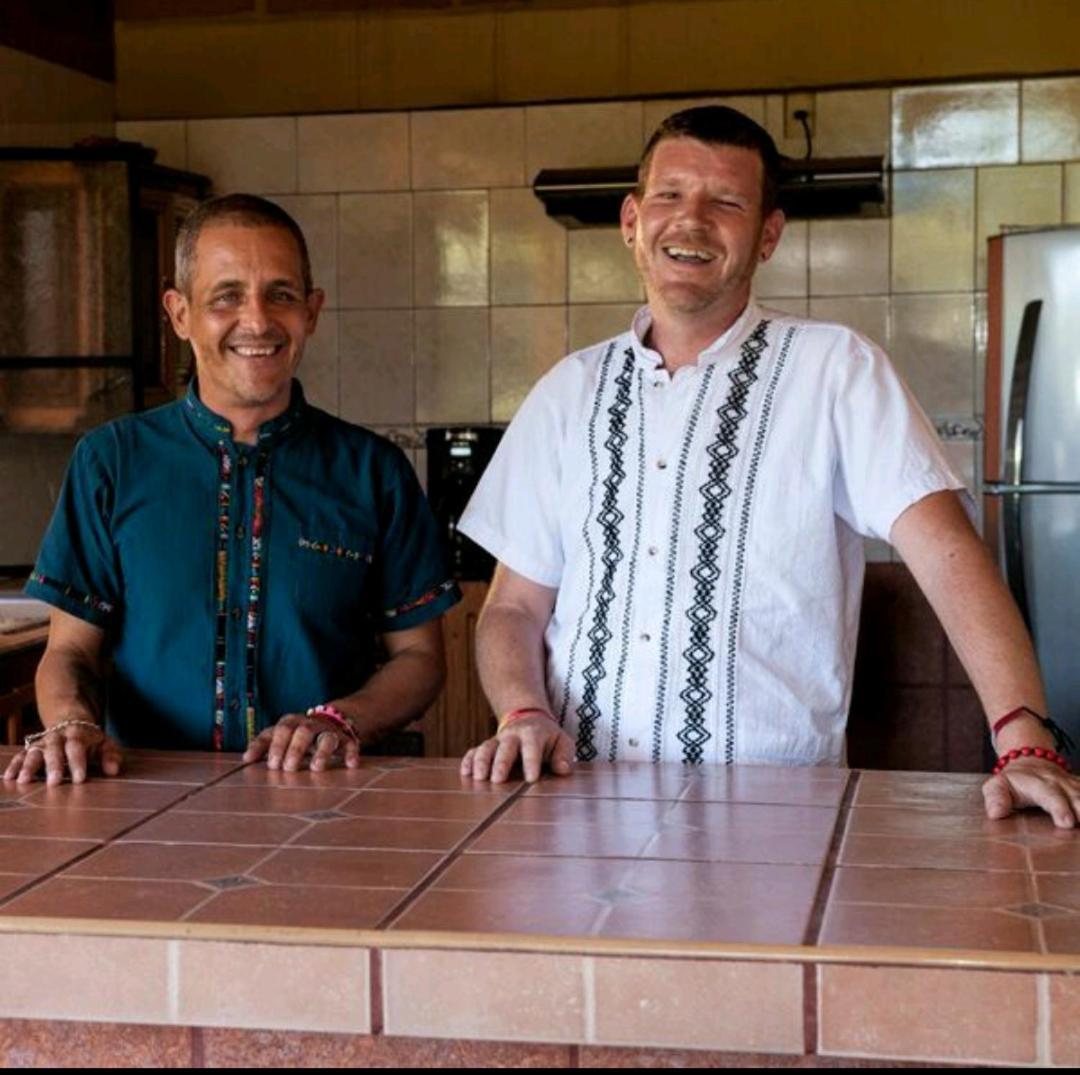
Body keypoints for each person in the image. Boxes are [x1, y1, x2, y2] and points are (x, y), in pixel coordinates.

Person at [457, 106, 1080, 827]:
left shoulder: (835, 369)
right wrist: (522, 711)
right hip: (575, 814)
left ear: (768, 236)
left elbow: (948, 556)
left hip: (772, 824)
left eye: (726, 202)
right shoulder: (568, 390)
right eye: (669, 195)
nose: (690, 221)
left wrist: (1023, 739)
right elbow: (511, 607)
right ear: (632, 220)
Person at [4, 194, 459, 786]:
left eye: (282, 294)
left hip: (323, 801)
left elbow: (420, 659)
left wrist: (340, 720)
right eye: (226, 297)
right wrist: (71, 724)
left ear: (312, 311)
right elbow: (70, 652)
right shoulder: (112, 460)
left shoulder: (372, 471)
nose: (258, 320)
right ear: (179, 313)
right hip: (139, 798)